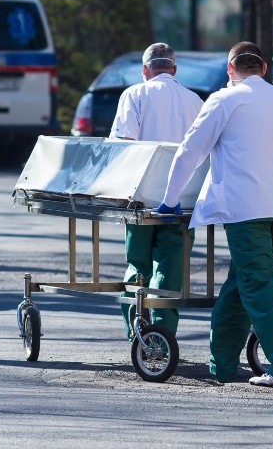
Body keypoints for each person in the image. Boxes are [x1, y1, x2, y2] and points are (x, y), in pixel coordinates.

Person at [155, 41, 273, 387]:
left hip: (244, 207)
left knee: (256, 283)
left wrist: (169, 200)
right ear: (264, 69)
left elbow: (190, 151)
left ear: (229, 70)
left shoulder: (225, 100)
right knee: (240, 284)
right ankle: (220, 365)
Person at [110, 42, 204, 340]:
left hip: (141, 198)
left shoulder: (134, 95)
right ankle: (163, 336)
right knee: (170, 267)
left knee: (137, 264)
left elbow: (123, 144)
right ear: (174, 70)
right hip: (183, 200)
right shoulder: (195, 101)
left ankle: (136, 333)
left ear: (145, 70)